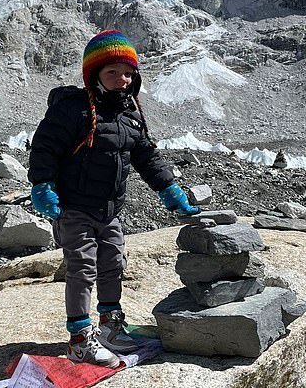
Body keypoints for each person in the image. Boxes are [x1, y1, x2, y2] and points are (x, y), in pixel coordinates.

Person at [28, 30, 199, 367]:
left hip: (110, 210)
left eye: (128, 73)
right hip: (74, 207)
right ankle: (80, 340)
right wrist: (42, 184)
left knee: (112, 265)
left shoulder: (131, 114)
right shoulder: (72, 111)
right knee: (82, 268)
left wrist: (170, 190)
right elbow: (45, 147)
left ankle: (109, 327)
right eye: (112, 73)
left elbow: (147, 158)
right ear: (94, 75)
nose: (122, 80)